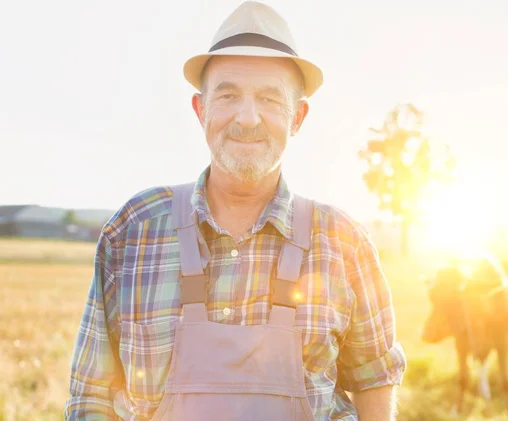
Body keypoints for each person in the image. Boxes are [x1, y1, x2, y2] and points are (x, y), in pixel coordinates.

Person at [64, 1, 406, 420]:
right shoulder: (134, 229)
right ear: (200, 109)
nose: (247, 118)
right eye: (227, 95)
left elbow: (375, 378)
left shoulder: (343, 241)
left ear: (298, 117)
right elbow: (91, 397)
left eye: (269, 99)